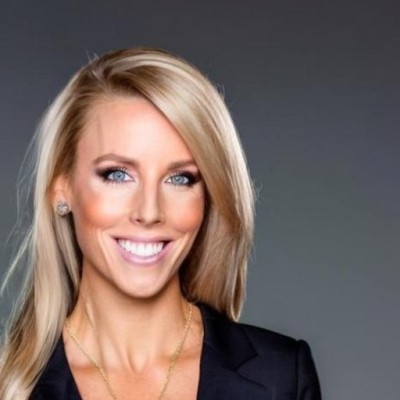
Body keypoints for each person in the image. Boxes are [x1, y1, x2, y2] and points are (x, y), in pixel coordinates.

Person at [0, 47, 321, 400]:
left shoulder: (280, 376)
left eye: (180, 178)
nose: (149, 211)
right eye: (118, 174)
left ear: (208, 197)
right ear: (61, 189)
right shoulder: (11, 385)